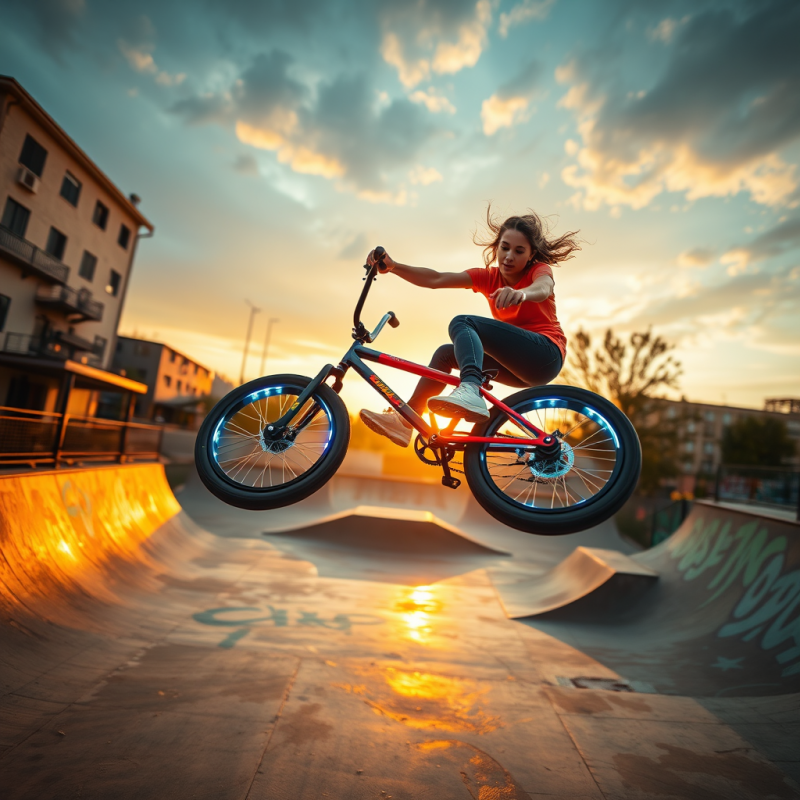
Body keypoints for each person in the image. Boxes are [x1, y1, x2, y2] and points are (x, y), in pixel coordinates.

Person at [359, 207, 581, 447]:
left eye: (519, 251)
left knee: (463, 322)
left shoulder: (539, 270)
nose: (508, 256)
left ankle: (470, 388)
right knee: (446, 354)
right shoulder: (488, 277)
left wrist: (521, 294)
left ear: (531, 255)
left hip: (545, 354)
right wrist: (394, 266)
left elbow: (543, 288)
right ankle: (406, 422)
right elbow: (435, 279)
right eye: (504, 247)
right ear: (497, 246)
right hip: (518, 369)